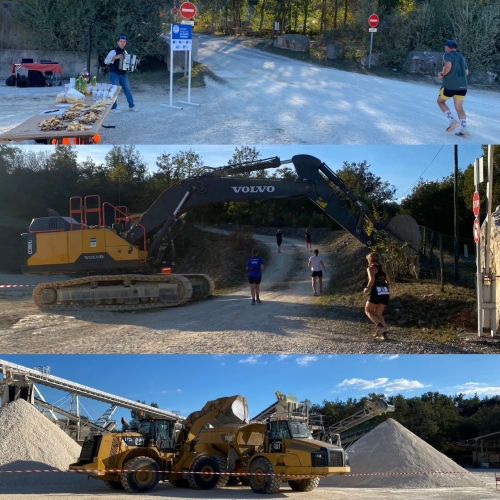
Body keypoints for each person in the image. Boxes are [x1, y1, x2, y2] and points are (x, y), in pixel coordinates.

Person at [437, 39, 469, 138]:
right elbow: (466, 72)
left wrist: (442, 74)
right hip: (463, 86)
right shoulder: (462, 57)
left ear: (448, 47)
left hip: (450, 85)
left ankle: (452, 121)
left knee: (440, 101)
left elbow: (448, 66)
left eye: (445, 46)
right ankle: (464, 130)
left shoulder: (448, 55)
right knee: (459, 107)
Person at [104, 35, 138, 113]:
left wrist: (135, 62)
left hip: (123, 74)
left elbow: (128, 64)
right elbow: (106, 61)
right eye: (121, 41)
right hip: (114, 73)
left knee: (128, 90)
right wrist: (115, 57)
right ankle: (113, 108)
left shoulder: (125, 52)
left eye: (124, 42)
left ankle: (132, 106)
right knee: (115, 91)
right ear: (118, 42)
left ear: (125, 43)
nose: (122, 43)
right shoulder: (113, 51)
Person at [363, 252, 392, 340]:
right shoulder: (382, 268)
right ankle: (384, 335)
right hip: (385, 292)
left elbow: (372, 280)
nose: (368, 261)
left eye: (368, 260)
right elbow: (389, 281)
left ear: (370, 260)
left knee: (368, 311)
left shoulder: (371, 268)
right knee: (379, 314)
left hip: (376, 292)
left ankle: (380, 327)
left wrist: (367, 288)